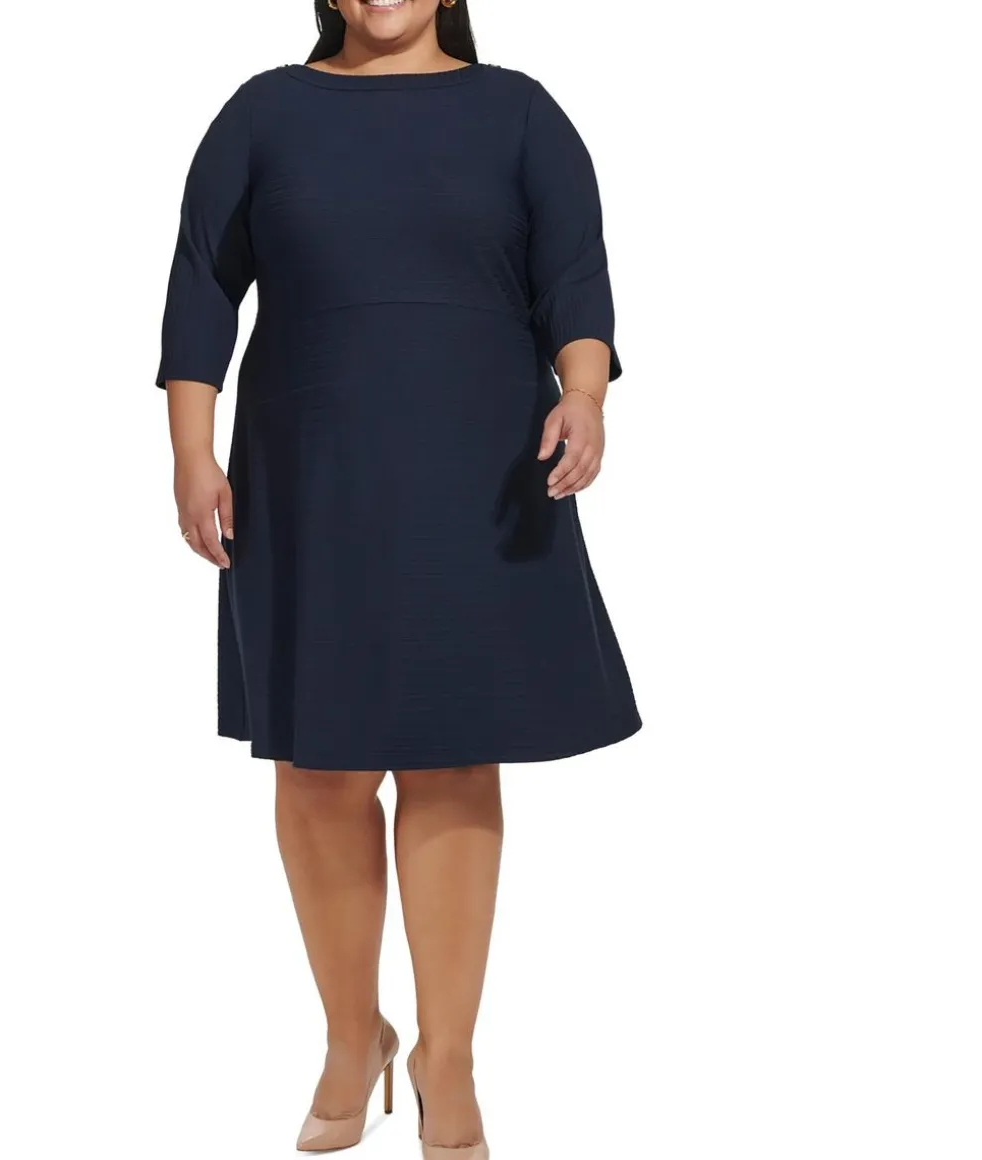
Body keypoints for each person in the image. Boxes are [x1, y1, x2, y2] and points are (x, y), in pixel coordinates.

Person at [154, 1, 641, 1154]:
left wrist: (583, 395)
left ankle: (446, 1056)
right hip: (309, 471)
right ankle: (348, 1034)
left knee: (452, 755)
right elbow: (200, 287)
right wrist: (190, 452)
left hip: (479, 467)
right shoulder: (263, 113)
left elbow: (573, 281)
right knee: (319, 764)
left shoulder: (518, 113)